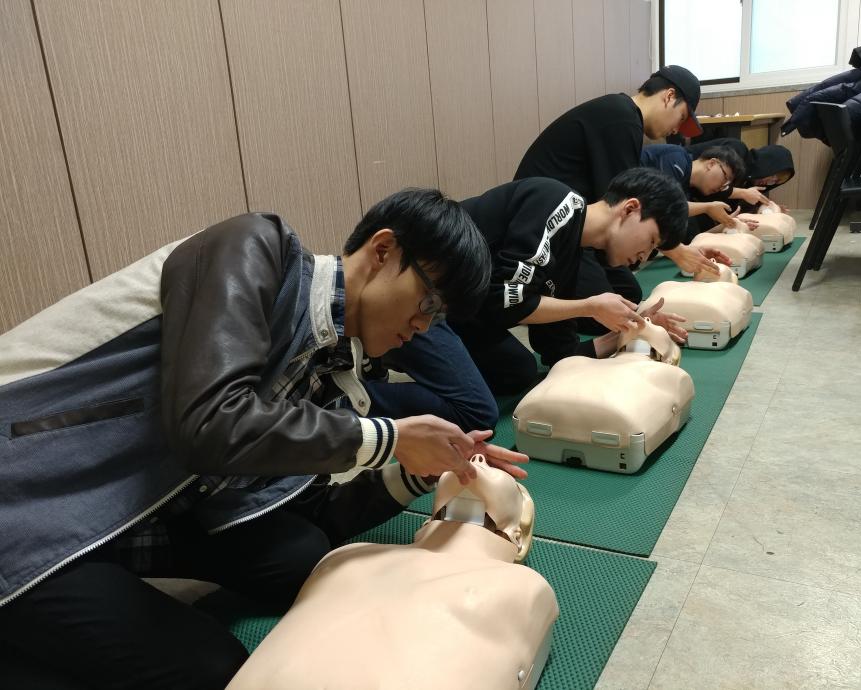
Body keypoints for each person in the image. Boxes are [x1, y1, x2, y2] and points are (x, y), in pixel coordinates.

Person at [0, 191, 528, 689]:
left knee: (300, 556)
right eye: (428, 302)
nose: (423, 327)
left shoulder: (332, 364)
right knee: (213, 668)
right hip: (26, 504)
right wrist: (388, 438)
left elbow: (314, 509)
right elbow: (211, 423)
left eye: (438, 317)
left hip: (128, 505)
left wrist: (417, 471)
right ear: (383, 250)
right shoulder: (252, 246)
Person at [226, 455, 558, 690]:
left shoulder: (524, 587)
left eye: (504, 480)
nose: (478, 460)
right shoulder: (346, 555)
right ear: (426, 519)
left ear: (518, 533)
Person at [441, 167, 688, 395]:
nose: (645, 255)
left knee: (516, 371)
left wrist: (632, 330)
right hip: (428, 303)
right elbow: (506, 302)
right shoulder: (555, 202)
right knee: (478, 410)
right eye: (652, 241)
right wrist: (589, 307)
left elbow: (562, 353)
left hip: (465, 313)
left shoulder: (572, 251)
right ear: (630, 208)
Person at [512, 64, 724, 308]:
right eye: (682, 117)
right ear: (669, 96)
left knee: (627, 292)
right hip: (543, 230)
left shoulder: (625, 118)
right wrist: (676, 250)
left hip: (574, 228)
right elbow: (622, 206)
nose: (676, 129)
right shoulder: (621, 119)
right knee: (614, 306)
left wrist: (677, 248)